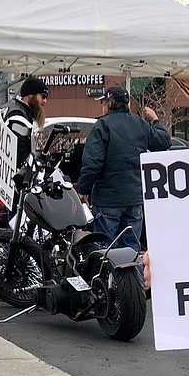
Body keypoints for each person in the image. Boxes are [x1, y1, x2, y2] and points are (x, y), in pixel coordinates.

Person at [76, 84, 170, 253]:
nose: (102, 107)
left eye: (103, 102)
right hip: (134, 198)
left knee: (106, 251)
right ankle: (133, 279)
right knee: (131, 251)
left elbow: (93, 164)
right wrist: (155, 120)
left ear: (109, 104)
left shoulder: (102, 126)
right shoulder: (140, 124)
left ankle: (108, 279)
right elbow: (163, 142)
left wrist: (83, 189)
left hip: (107, 199)